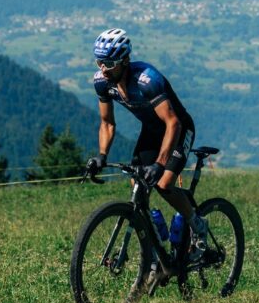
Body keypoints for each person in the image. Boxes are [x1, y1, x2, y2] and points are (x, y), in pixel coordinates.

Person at [86, 27, 207, 256]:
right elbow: (107, 123)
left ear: (125, 60)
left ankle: (198, 226)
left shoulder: (147, 81)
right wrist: (102, 156)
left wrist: (160, 164)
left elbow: (173, 123)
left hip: (178, 129)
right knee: (137, 183)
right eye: (99, 62)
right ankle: (154, 243)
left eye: (109, 63)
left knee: (164, 184)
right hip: (152, 131)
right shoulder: (102, 83)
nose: (103, 68)